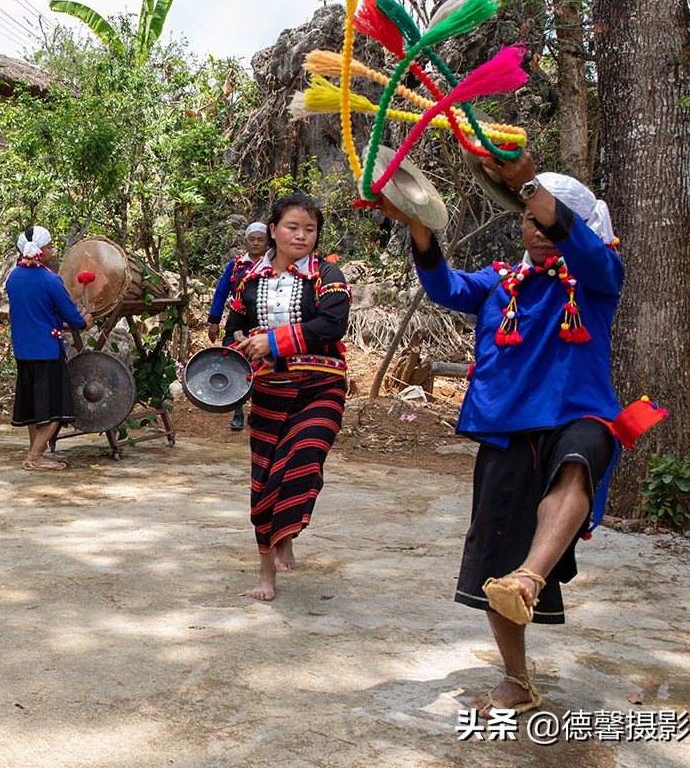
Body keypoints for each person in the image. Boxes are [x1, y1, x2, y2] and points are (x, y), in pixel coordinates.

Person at [381, 150, 623, 717]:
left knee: (579, 462)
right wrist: (418, 223)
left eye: (549, 218)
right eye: (528, 217)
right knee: (493, 561)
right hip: (506, 428)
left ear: (577, 226)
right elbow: (443, 287)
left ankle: (531, 578)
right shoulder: (500, 282)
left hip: (578, 414)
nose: (538, 229)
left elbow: (581, 247)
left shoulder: (597, 275)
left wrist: (528, 183)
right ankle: (516, 676)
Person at [226, 194, 350, 602]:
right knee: (265, 479)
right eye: (293, 227)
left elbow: (331, 325)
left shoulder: (328, 276)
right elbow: (234, 331)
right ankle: (267, 569)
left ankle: (287, 530)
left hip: (321, 385)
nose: (302, 235)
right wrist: (242, 342)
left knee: (304, 456)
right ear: (273, 230)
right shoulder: (247, 281)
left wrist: (273, 342)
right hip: (269, 391)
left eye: (310, 229)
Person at [5, 225, 90, 470]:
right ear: (41, 251)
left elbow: (34, 312)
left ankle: (37, 450)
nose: (53, 250)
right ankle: (33, 457)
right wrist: (83, 320)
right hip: (47, 351)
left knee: (33, 407)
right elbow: (74, 319)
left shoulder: (13, 278)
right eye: (50, 246)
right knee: (55, 409)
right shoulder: (50, 279)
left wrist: (56, 320)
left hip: (23, 350)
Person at [207, 221, 270, 430]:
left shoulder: (274, 264)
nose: (256, 243)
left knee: (263, 363)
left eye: (260, 240)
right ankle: (237, 411)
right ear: (246, 241)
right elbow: (221, 292)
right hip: (238, 317)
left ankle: (261, 412)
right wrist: (214, 321)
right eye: (252, 239)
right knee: (235, 359)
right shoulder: (235, 266)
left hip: (264, 319)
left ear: (268, 242)